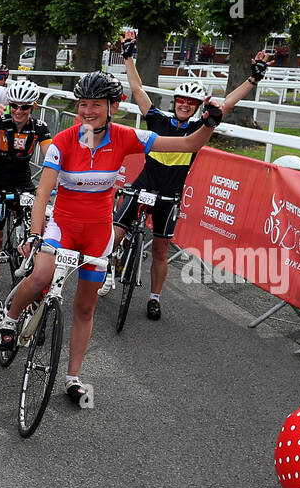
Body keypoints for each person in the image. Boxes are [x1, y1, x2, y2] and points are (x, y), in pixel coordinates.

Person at [0, 71, 225, 404]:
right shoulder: (64, 141)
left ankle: (72, 377)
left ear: (112, 106)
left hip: (98, 231)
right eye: (83, 104)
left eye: (96, 105)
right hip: (63, 225)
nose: (88, 111)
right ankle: (11, 318)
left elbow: (187, 144)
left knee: (85, 307)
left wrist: (210, 124)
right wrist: (35, 231)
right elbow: (44, 192)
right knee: (42, 274)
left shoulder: (125, 137)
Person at [102, 31, 268, 319]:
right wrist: (129, 56)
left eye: (191, 102)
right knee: (115, 234)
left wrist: (253, 79)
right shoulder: (157, 119)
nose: (185, 104)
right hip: (143, 186)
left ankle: (154, 297)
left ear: (195, 107)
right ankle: (106, 271)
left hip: (169, 195)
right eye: (181, 100)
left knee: (161, 251)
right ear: (175, 101)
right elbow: (138, 89)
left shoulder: (198, 128)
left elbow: (226, 104)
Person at [0, 76, 51, 310]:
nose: (18, 110)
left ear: (33, 107)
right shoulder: (0, 121)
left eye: (24, 107)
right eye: (14, 105)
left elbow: (49, 154)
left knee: (38, 230)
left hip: (22, 181)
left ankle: (31, 282)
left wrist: (56, 173)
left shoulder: (39, 127)